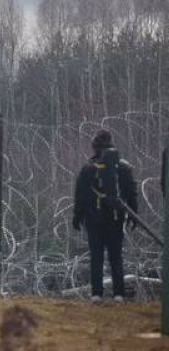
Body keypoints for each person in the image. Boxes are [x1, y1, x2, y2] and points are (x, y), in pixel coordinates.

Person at [73, 129, 138, 303]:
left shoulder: (88, 169)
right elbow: (132, 193)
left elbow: (81, 196)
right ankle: (119, 294)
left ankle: (97, 294)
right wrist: (133, 215)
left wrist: (77, 217)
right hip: (116, 218)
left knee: (97, 257)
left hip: (94, 219)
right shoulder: (124, 168)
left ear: (95, 148)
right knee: (116, 257)